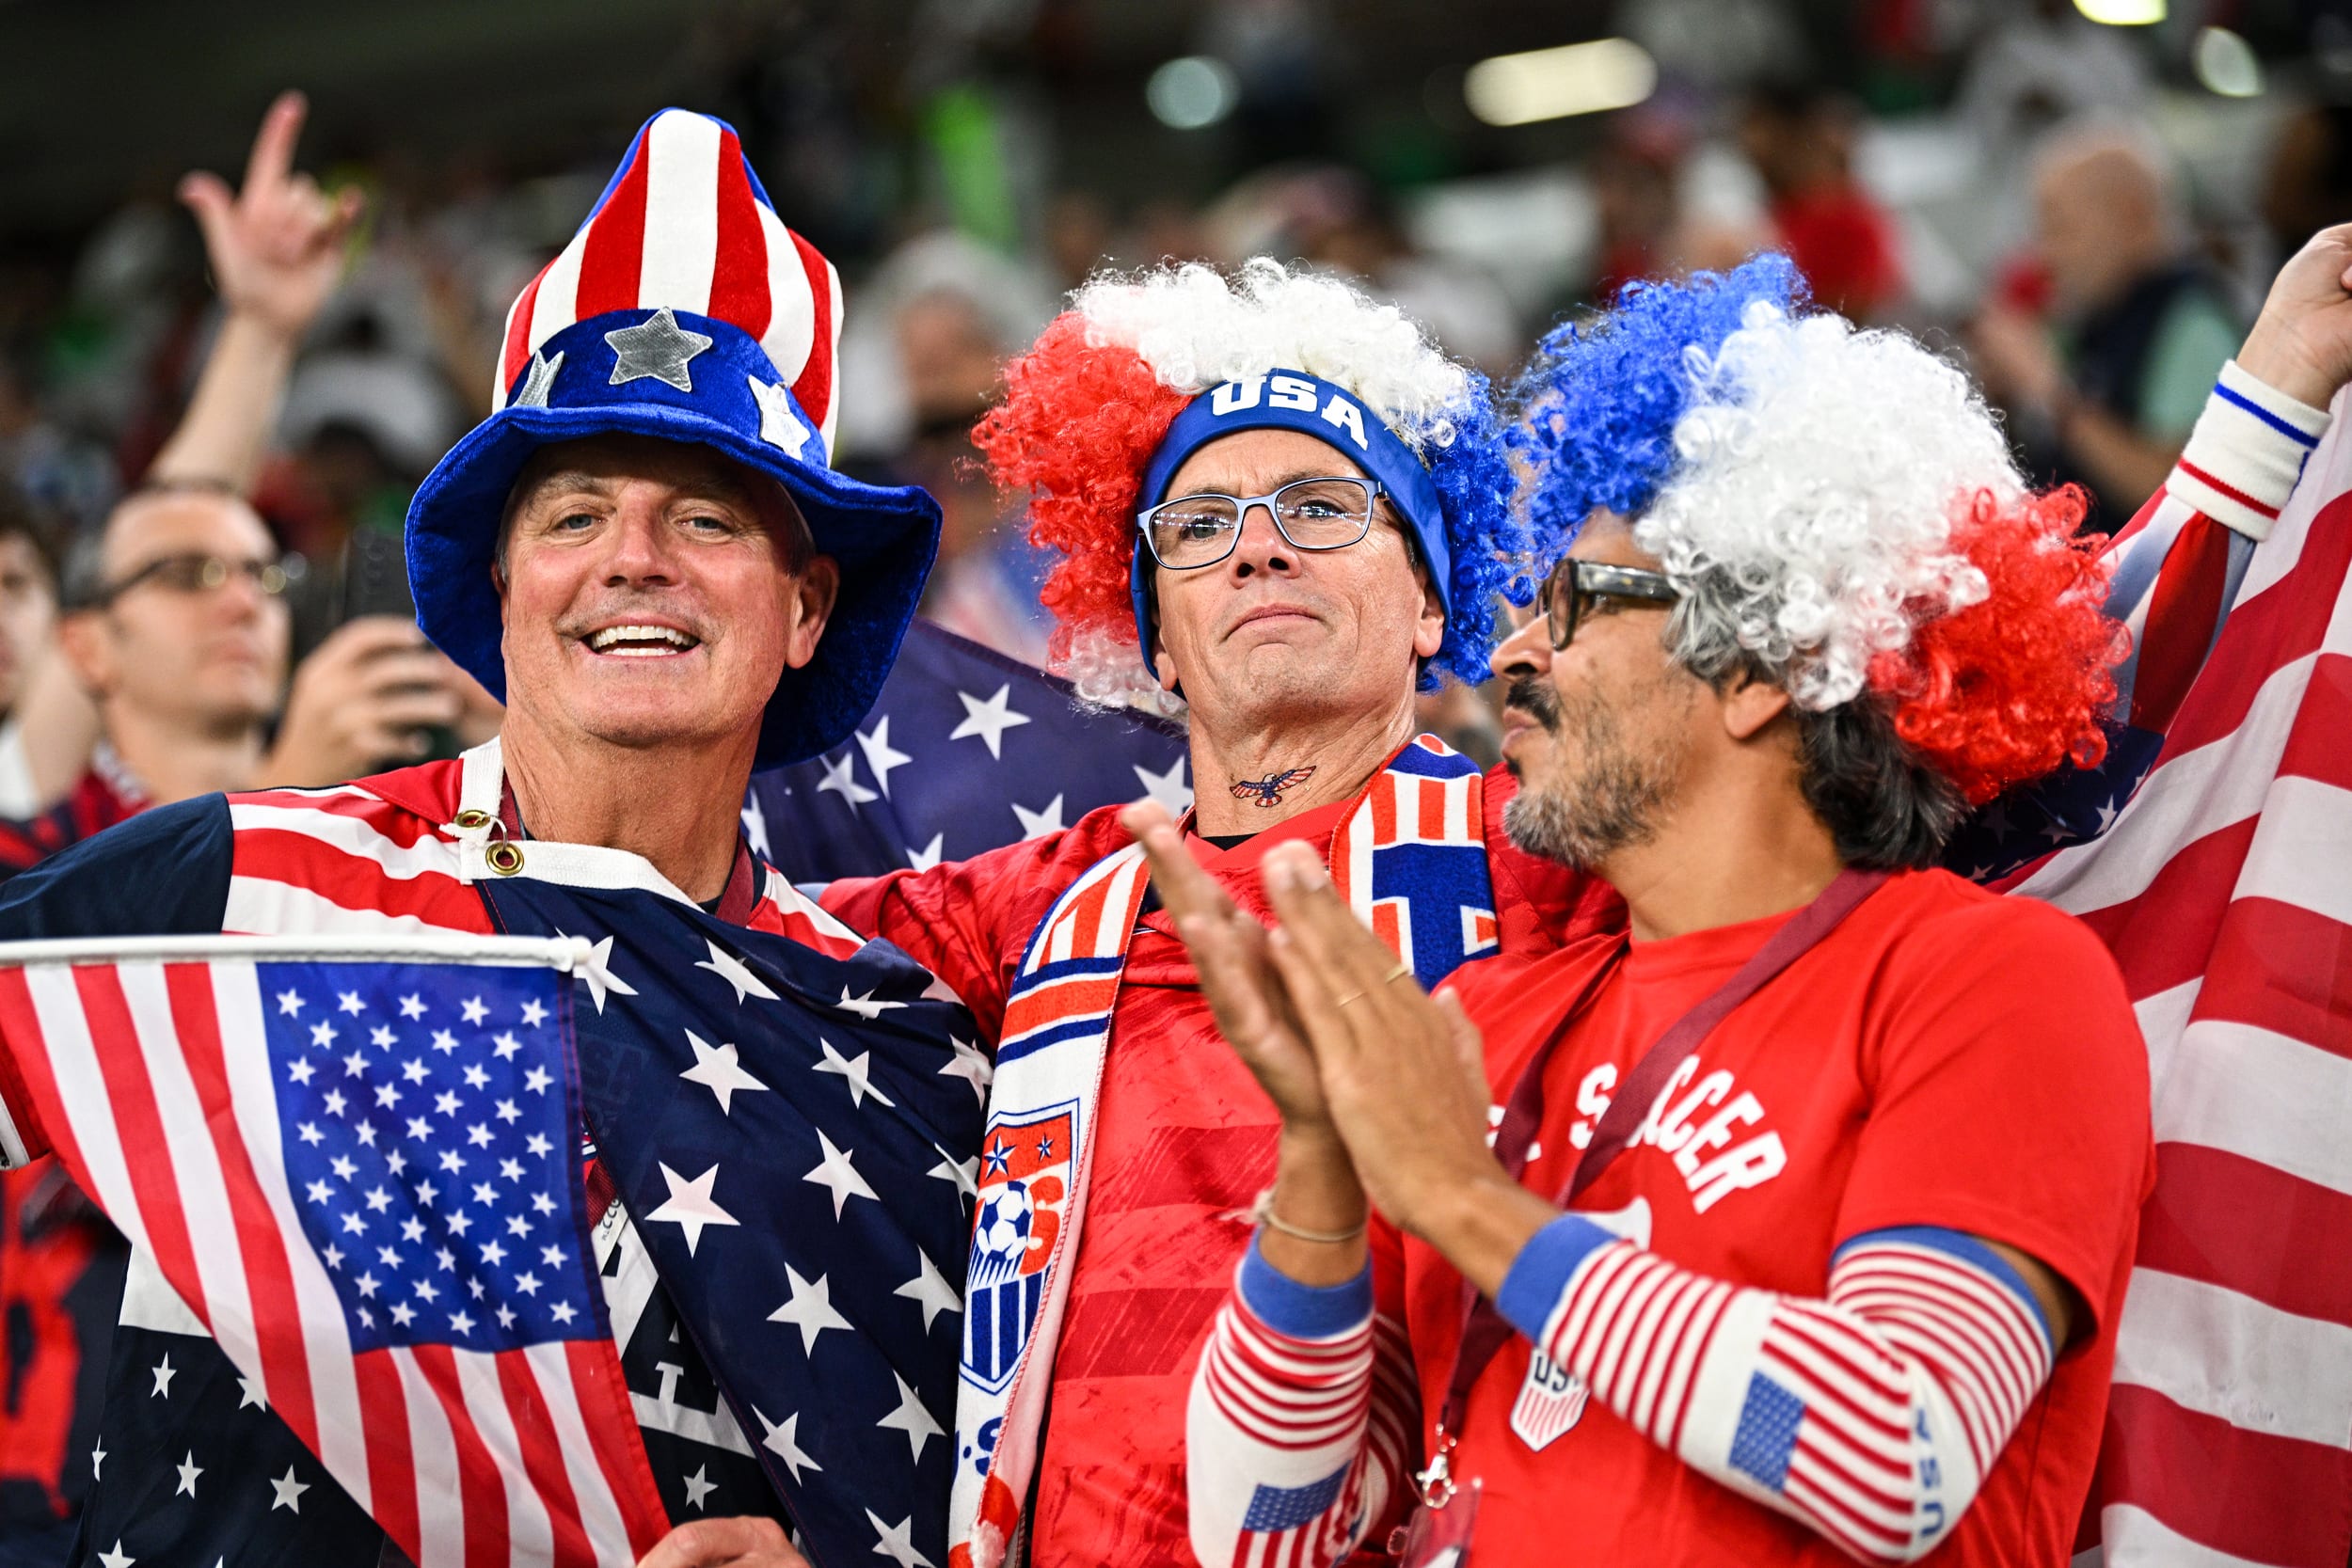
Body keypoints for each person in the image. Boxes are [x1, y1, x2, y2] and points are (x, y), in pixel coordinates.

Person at [1155, 233, 2352, 1567]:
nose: (1510, 652)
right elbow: (1262, 1533)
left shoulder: (1994, 978)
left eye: (1578, 602)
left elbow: (1900, 1446)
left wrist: (1461, 1195)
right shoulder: (1485, 1015)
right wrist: (1324, 1154)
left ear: (1766, 659)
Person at [0, 107, 946, 1568]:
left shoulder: (886, 1035)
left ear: (806, 609)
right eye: (575, 513)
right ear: (501, 587)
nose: (635, 556)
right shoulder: (241, 882)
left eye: (706, 516)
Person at [817, 259, 1618, 1568]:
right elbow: (691, 944)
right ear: (1158, 635)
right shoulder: (1037, 903)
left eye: (1321, 504)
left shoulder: (1558, 854)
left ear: (1430, 603)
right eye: (1197, 525)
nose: (1257, 542)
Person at [1971, 121, 2243, 529]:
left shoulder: (2192, 323)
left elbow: (2174, 491)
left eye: (2060, 227)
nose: (2044, 254)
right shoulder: (2101, 313)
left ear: (2131, 215)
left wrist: (2049, 390)